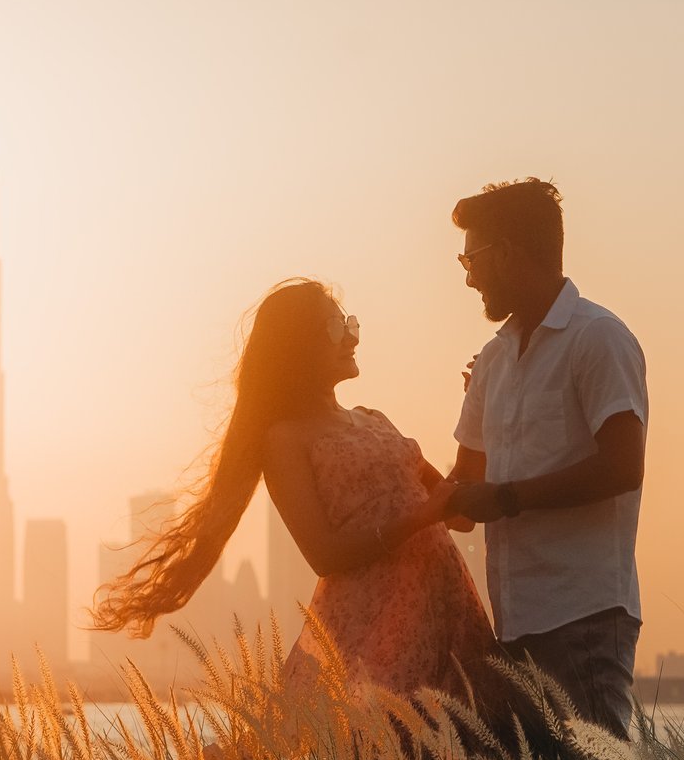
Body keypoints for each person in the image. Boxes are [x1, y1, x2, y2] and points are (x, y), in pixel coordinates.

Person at [89, 279, 494, 696]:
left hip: (447, 612)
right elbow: (323, 552)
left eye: (351, 323)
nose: (352, 337)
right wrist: (421, 517)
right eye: (336, 327)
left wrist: (479, 406)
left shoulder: (376, 420)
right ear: (298, 346)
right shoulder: (286, 440)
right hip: (378, 629)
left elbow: (459, 513)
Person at [445, 180, 648, 737]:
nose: (468, 276)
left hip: (582, 613)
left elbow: (623, 466)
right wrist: (381, 453)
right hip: (512, 623)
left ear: (507, 253)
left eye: (472, 257)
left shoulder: (598, 338)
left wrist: (507, 499)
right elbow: (463, 496)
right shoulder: (493, 361)